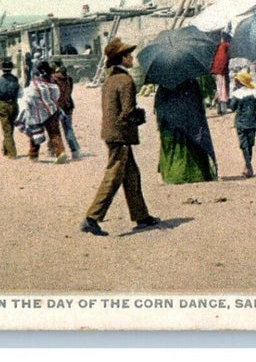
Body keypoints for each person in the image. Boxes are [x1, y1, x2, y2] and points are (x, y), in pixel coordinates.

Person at [81, 38, 160, 236]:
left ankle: (141, 216)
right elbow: (127, 112)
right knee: (113, 176)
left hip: (111, 132)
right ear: (122, 59)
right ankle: (92, 217)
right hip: (121, 135)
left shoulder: (109, 80)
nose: (131, 58)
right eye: (129, 55)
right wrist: (139, 116)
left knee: (132, 175)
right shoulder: (126, 81)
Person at [154, 79, 218, 184]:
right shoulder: (192, 83)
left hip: (171, 126)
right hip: (191, 124)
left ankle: (174, 175)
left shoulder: (164, 85)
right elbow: (197, 104)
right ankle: (196, 174)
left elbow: (160, 106)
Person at [17, 60, 67, 164]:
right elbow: (56, 95)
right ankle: (60, 153)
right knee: (55, 134)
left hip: (37, 113)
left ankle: (33, 155)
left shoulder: (34, 85)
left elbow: (28, 98)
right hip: (51, 111)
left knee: (36, 134)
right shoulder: (52, 84)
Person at [227, 71, 256, 178]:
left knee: (244, 145)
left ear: (240, 82)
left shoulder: (237, 94)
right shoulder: (255, 92)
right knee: (250, 144)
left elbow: (232, 107)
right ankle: (248, 165)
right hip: (253, 122)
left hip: (241, 122)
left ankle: (248, 166)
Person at [51, 60, 80, 159]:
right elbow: (70, 91)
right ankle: (75, 150)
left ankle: (55, 151)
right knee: (68, 129)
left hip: (56, 106)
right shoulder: (69, 79)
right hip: (68, 105)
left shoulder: (53, 79)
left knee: (54, 130)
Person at [0, 59, 21, 159]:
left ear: (2, 70)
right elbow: (20, 93)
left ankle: (12, 153)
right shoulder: (16, 79)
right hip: (14, 104)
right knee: (10, 127)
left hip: (3, 104)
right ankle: (6, 149)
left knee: (6, 129)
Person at [211, 33, 231, 115]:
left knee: (219, 88)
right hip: (220, 70)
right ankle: (223, 109)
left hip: (216, 70)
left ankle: (219, 108)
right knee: (222, 88)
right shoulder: (225, 46)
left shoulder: (219, 47)